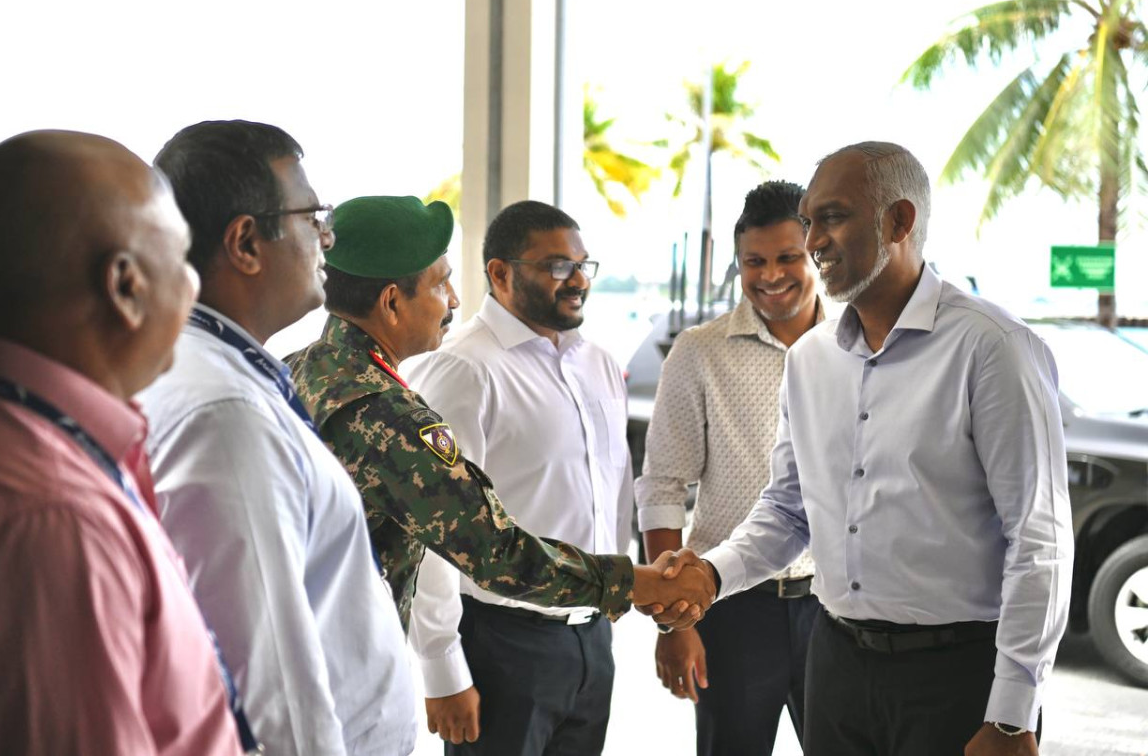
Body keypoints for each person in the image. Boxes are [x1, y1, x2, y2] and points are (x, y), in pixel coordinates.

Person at [672, 142, 1072, 756]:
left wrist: (1013, 715)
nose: (813, 242)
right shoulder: (811, 360)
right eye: (809, 221)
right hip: (835, 664)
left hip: (956, 674)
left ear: (899, 222)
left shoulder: (993, 349)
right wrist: (711, 572)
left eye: (832, 217)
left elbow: (1039, 541)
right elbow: (787, 512)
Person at [285, 195, 716, 748]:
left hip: (320, 660)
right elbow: (486, 546)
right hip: (364, 668)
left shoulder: (298, 371)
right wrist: (635, 581)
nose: (455, 299)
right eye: (440, 284)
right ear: (392, 302)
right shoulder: (389, 409)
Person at [0, 130, 242, 755]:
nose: (193, 287)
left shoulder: (6, 434)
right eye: (183, 259)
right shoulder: (54, 521)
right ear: (126, 286)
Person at [138, 121, 415, 756]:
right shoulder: (227, 415)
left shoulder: (218, 371)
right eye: (313, 215)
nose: (327, 236)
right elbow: (270, 691)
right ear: (245, 242)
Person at [400, 200, 636, 755]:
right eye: (557, 266)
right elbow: (433, 531)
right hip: (503, 644)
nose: (577, 279)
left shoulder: (599, 362)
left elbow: (615, 487)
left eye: (583, 264)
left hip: (591, 635)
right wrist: (442, 666)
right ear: (500, 273)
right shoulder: (463, 368)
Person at [637, 180, 825, 754]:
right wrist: (676, 622)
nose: (771, 275)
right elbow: (663, 485)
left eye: (788, 257)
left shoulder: (859, 343)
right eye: (755, 262)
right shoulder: (699, 351)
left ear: (816, 252)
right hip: (731, 603)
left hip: (839, 606)